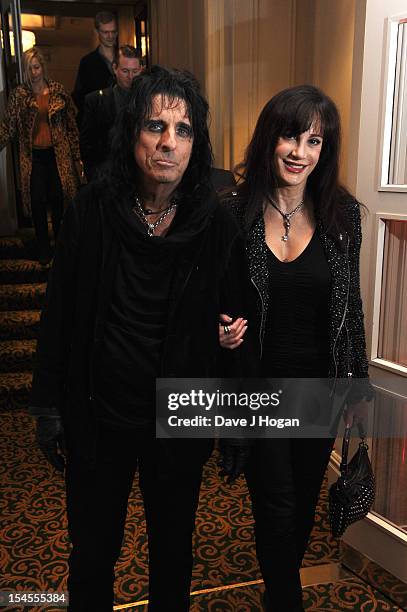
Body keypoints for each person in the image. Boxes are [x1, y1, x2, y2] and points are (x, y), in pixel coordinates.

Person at [30, 66, 253, 612]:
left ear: (195, 143)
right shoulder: (92, 210)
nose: (167, 143)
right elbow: (58, 312)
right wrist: (48, 406)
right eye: (155, 126)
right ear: (133, 133)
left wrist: (236, 415)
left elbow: (241, 317)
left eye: (182, 130)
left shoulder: (214, 221)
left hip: (180, 414)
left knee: (173, 555)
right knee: (92, 554)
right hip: (100, 411)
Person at [218, 85, 373, 612]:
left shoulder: (342, 216)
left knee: (302, 502)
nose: (299, 152)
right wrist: (220, 332)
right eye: (290, 135)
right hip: (259, 387)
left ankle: (277, 589)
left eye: (314, 141)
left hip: (319, 393)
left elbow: (349, 306)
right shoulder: (234, 214)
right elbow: (214, 298)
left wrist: (357, 387)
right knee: (275, 501)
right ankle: (285, 599)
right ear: (270, 138)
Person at [0, 47, 81, 264]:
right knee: (36, 201)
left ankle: (61, 248)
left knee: (58, 199)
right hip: (33, 157)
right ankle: (44, 249)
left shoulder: (58, 91)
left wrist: (77, 158)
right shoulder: (20, 95)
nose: (34, 73)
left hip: (57, 155)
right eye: (29, 69)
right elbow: (8, 127)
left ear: (43, 67)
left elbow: (72, 127)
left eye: (36, 67)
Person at [80, 45, 143, 181]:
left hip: (140, 178)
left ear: (141, 70)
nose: (131, 77)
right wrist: (95, 175)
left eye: (135, 71)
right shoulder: (95, 101)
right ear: (115, 69)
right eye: (125, 71)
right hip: (106, 178)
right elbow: (86, 145)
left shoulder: (148, 102)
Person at [72, 11, 118, 126]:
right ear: (96, 32)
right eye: (106, 32)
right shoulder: (87, 62)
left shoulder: (125, 58)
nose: (110, 36)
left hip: (122, 124)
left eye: (113, 32)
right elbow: (79, 95)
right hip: (97, 126)